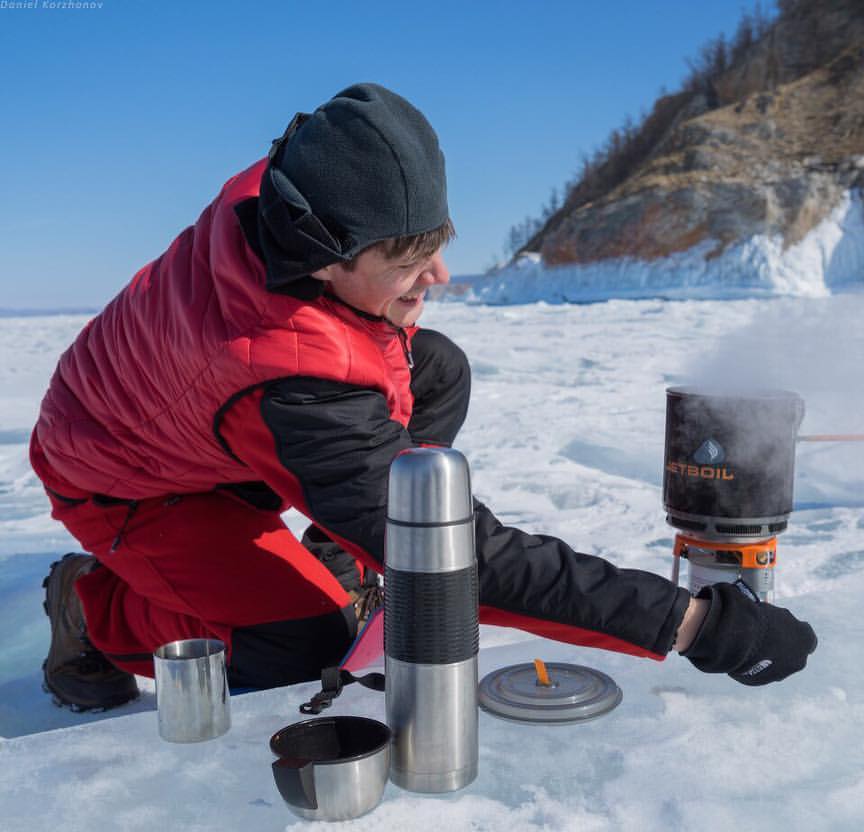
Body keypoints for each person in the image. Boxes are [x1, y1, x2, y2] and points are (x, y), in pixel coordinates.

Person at [30, 83, 817, 712]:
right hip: (129, 480)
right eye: (407, 262)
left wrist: (375, 524)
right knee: (303, 642)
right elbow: (465, 563)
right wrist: (694, 623)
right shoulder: (291, 380)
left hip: (194, 421)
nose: (437, 279)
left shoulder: (296, 185)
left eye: (437, 245)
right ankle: (91, 611)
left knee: (435, 367)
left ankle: (351, 538)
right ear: (324, 262)